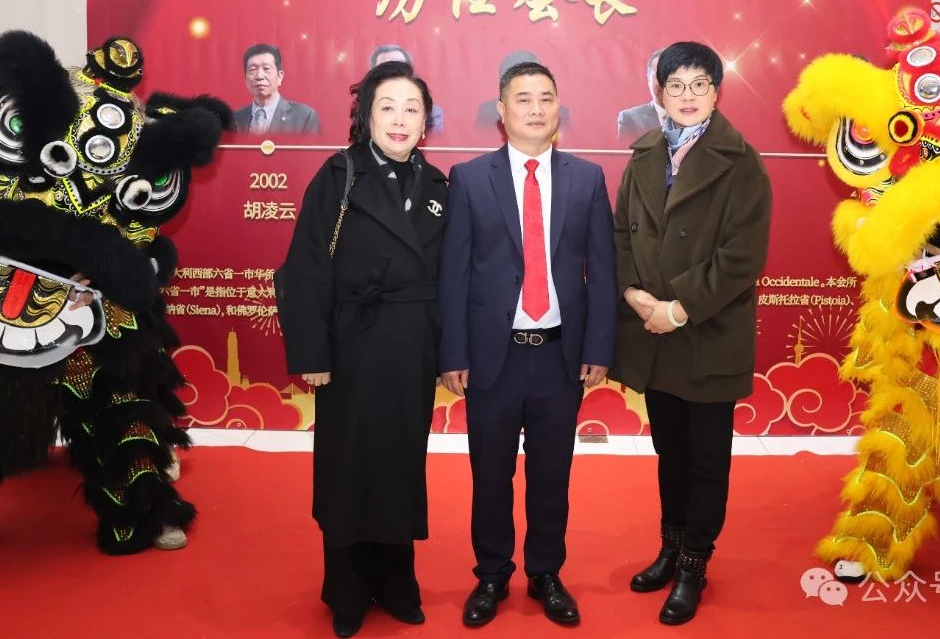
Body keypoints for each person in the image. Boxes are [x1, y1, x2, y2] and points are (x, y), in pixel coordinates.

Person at [439, 61, 616, 627]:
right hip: (493, 358)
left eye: (546, 98)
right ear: (502, 110)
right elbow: (454, 274)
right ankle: (491, 574)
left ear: (559, 107)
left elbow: (603, 272)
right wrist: (453, 353)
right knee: (490, 475)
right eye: (523, 99)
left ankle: (545, 572)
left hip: (560, 356)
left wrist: (599, 347)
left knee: (551, 475)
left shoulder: (587, 178)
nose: (536, 109)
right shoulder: (470, 178)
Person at [277, 61, 447, 638]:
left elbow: (453, 278)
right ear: (366, 116)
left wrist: (449, 353)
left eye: (411, 109)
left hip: (413, 349)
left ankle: (396, 582)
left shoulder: (438, 186)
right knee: (349, 467)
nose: (400, 120)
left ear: (426, 121)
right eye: (387, 107)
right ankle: (346, 590)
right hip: (351, 347)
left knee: (401, 463)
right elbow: (304, 269)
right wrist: (313, 355)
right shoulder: (338, 176)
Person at [610, 41, 772, 626]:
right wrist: (634, 294)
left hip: (705, 333)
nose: (686, 95)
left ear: (715, 92)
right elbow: (620, 234)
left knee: (706, 460)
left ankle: (694, 565)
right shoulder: (645, 154)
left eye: (698, 84)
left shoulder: (742, 162)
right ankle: (670, 548)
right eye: (675, 85)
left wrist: (678, 309)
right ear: (660, 92)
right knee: (670, 453)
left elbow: (741, 257)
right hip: (654, 334)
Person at [233, 43, 321, 134]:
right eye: (252, 70)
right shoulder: (233, 120)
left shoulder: (305, 117)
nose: (259, 76)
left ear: (279, 77)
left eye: (266, 68)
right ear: (246, 80)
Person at [475, 50, 572, 130]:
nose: (536, 111)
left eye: (546, 100)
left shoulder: (561, 112)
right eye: (523, 100)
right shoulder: (487, 111)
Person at [370, 43, 443, 133]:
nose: (392, 73)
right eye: (385, 67)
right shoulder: (363, 109)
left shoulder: (432, 114)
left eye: (399, 66)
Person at [616, 47, 667, 141]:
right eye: (660, 75)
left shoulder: (694, 119)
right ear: (649, 79)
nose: (665, 82)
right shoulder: (630, 119)